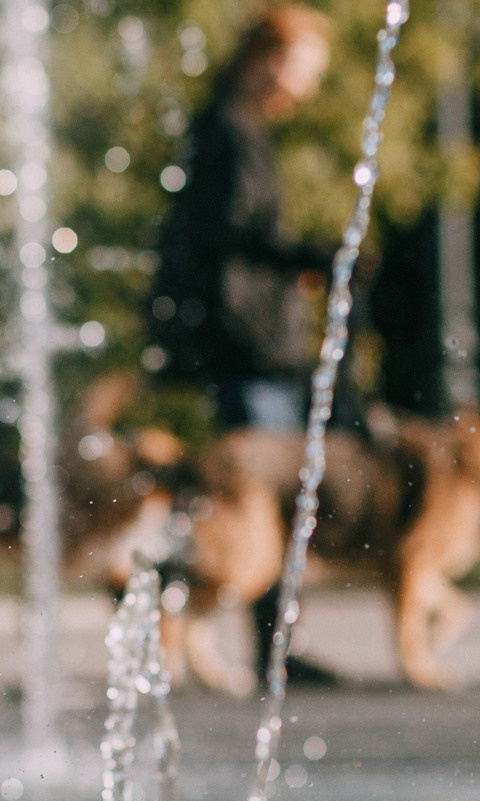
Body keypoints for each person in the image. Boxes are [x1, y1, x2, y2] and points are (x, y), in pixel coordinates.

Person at [149, 5, 337, 683]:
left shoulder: (239, 128)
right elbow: (229, 236)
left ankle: (272, 643)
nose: (306, 87)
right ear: (267, 60)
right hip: (245, 341)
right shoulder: (227, 131)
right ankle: (253, 642)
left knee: (270, 497)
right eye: (303, 69)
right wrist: (311, 255)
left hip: (256, 339)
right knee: (257, 495)